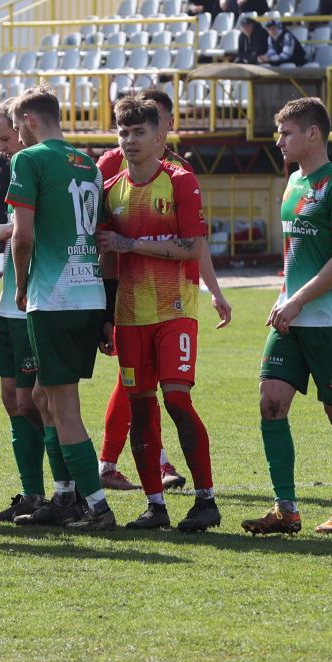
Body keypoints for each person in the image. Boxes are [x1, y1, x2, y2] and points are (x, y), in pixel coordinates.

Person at [93, 88, 232, 493]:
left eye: (141, 130)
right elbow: (106, 251)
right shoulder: (108, 176)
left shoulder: (180, 176)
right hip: (130, 311)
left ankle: (203, 495)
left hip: (174, 304)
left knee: (174, 398)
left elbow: (195, 244)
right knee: (137, 398)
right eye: (125, 132)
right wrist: (105, 313)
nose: (131, 139)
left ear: (161, 130)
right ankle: (147, 491)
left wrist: (214, 290)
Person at [242, 97, 332, 536]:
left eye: (286, 133)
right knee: (270, 403)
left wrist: (296, 300)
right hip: (290, 320)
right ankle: (285, 509)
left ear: (313, 133)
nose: (279, 141)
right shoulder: (293, 182)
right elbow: (296, 256)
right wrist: (285, 299)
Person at [4, 84, 118, 531]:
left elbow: (23, 235)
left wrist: (21, 284)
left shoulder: (29, 160)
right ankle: (64, 496)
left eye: (17, 127)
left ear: (29, 120)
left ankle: (97, 507)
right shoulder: (87, 163)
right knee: (42, 396)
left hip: (54, 297)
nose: (17, 136)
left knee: (63, 405)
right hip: (89, 293)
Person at [0, 102, 49, 523]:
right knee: (12, 399)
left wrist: (11, 228)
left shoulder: (43, 168)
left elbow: (54, 227)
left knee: (33, 401)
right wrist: (1, 301)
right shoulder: (19, 171)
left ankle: (68, 489)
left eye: (6, 138)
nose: (2, 147)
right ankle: (32, 494)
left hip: (34, 306)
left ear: (25, 127)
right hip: (12, 306)